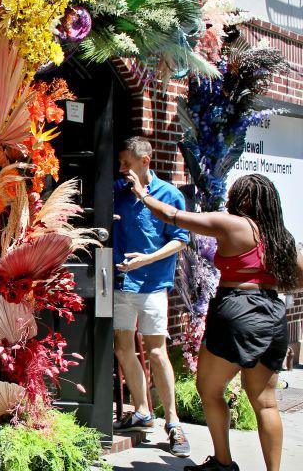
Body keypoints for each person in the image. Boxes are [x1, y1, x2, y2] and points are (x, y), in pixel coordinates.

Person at [126, 172, 300, 471]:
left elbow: (172, 215)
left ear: (245, 198)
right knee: (266, 401)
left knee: (209, 388)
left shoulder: (232, 224)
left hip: (237, 311)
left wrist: (143, 194)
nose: (230, 199)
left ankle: (222, 462)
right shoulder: (281, 237)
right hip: (273, 313)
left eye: (235, 194)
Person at [112, 137, 191, 457]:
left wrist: (147, 259)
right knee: (122, 348)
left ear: (145, 162)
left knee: (157, 352)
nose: (121, 169)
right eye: (120, 164)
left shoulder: (169, 195)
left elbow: (181, 240)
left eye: (126, 163)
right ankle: (143, 411)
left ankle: (172, 423)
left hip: (153, 285)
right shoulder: (117, 191)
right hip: (119, 283)